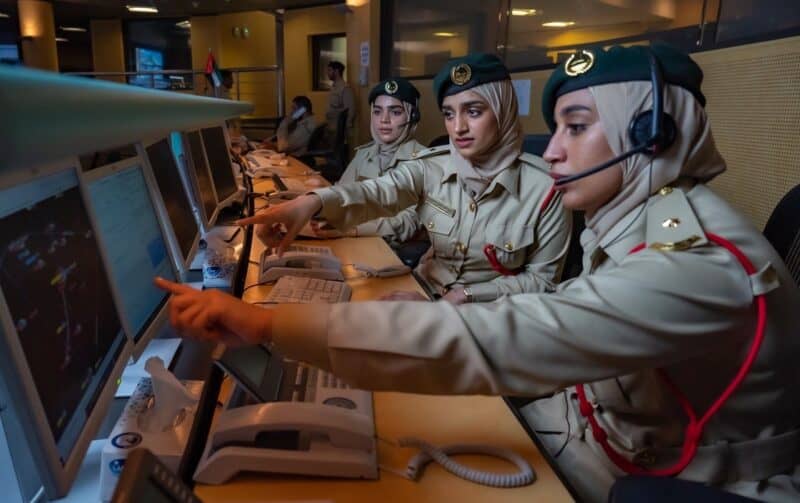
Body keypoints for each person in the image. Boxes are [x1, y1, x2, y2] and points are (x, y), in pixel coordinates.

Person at [157, 44, 800, 501]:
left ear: (651, 134)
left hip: (661, 470)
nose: (553, 151)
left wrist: (267, 323)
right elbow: (395, 188)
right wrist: (311, 209)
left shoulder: (694, 263)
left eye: (576, 128)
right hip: (594, 418)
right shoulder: (643, 214)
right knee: (397, 430)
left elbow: (516, 332)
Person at [271, 54, 569, 302]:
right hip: (422, 290)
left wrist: (466, 295)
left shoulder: (545, 189)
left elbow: (542, 282)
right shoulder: (431, 167)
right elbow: (382, 191)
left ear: (503, 111)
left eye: (474, 112)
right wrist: (315, 202)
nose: (458, 127)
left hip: (487, 314)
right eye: (449, 114)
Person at [310, 77, 426, 244]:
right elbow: (341, 194)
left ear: (412, 116)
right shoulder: (365, 154)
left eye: (395, 112)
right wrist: (313, 205)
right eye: (377, 111)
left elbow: (406, 224)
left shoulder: (423, 162)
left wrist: (352, 230)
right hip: (353, 240)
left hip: (389, 250)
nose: (384, 120)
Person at [324, 61, 355, 140]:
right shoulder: (333, 87)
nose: (327, 73)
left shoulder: (345, 88)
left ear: (336, 71)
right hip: (331, 128)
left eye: (329, 70)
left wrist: (344, 131)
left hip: (340, 132)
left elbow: (350, 111)